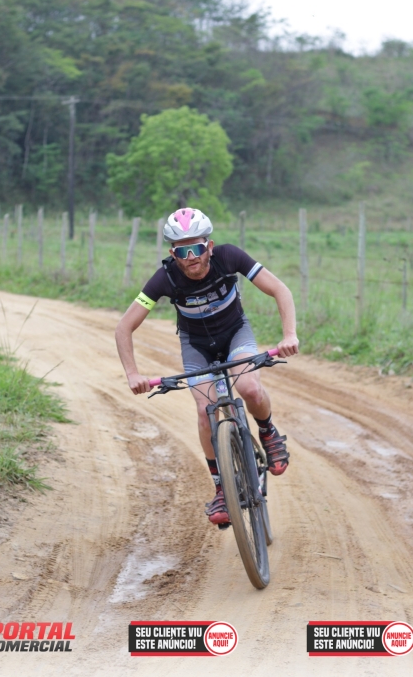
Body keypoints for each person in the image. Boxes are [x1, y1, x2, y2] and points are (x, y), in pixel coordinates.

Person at [115, 207, 299, 526]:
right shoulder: (165, 278)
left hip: (235, 333)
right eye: (182, 251)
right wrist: (132, 374)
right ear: (172, 254)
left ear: (209, 247)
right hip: (196, 346)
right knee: (205, 411)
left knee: (249, 387)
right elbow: (124, 327)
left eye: (196, 248)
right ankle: (221, 488)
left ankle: (268, 432)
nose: (191, 258)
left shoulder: (229, 257)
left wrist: (289, 334)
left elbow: (280, 289)